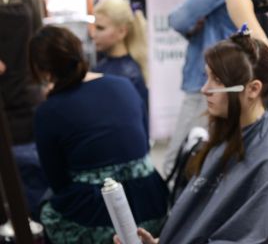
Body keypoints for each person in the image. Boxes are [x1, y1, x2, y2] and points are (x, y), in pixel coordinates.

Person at [116, 31, 268, 244]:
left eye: (217, 80)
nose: (204, 89)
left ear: (253, 89)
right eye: (207, 77)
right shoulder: (229, 133)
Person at [29, 25, 167, 243]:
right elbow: (143, 143)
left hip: (98, 215)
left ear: (43, 71)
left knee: (46, 210)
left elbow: (57, 181)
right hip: (152, 203)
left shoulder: (48, 111)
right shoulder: (124, 85)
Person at [165, 0, 252, 176]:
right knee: (203, 162)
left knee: (178, 165)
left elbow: (181, 18)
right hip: (215, 74)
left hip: (209, 79)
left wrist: (182, 20)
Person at [0, 0, 47, 216]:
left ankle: (32, 222)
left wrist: (46, 80)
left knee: (29, 164)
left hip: (27, 87)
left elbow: (41, 39)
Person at [93, 0, 149, 114]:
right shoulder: (102, 67)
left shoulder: (129, 75)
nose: (94, 35)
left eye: (100, 28)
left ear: (122, 32)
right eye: (95, 28)